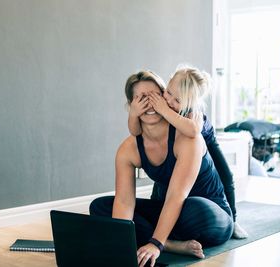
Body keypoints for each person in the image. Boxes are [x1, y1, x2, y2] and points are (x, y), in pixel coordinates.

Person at [90, 70, 234, 267]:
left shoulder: (188, 137)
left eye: (155, 96)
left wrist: (155, 244)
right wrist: (119, 243)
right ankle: (172, 243)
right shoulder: (128, 149)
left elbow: (177, 195)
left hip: (207, 212)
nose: (149, 104)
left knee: (195, 208)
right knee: (101, 207)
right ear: (131, 106)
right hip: (170, 210)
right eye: (141, 98)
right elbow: (124, 201)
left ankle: (158, 239)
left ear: (165, 98)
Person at [127, 66, 248, 239]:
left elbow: (192, 131)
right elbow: (135, 131)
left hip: (204, 139)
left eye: (176, 100)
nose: (168, 101)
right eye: (167, 92)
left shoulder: (193, 113)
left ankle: (233, 220)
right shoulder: (165, 108)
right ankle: (160, 221)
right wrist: (133, 114)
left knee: (225, 175)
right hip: (178, 143)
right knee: (164, 176)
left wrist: (164, 110)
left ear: (189, 103)